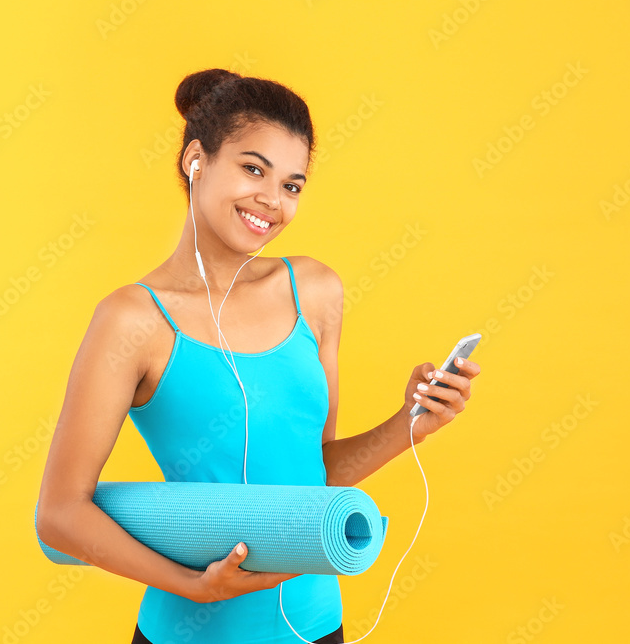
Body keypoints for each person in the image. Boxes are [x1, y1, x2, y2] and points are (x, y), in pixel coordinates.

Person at [35, 68, 481, 644]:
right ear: (196, 160)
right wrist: (191, 586)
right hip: (191, 632)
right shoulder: (134, 320)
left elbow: (310, 475)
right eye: (253, 169)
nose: (271, 201)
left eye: (292, 186)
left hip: (318, 625)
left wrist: (412, 425)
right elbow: (60, 513)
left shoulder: (315, 293)